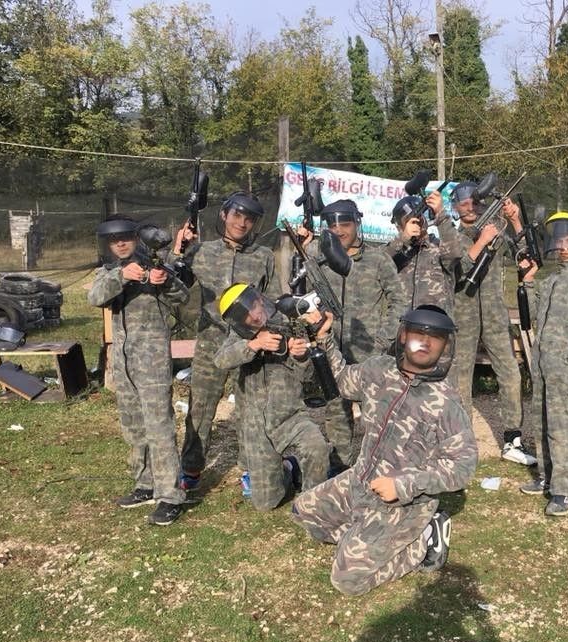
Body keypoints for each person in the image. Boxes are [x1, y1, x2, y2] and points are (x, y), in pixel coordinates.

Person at [291, 305, 478, 596]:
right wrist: (324, 338)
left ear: (445, 347)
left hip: (403, 503)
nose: (425, 343)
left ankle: (423, 539)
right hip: (360, 481)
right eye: (418, 335)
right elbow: (342, 380)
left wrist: (403, 485)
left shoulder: (447, 403)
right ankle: (364, 532)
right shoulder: (379, 369)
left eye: (435, 339)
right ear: (403, 336)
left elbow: (463, 467)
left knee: (346, 580)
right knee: (303, 512)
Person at [173, 192, 278, 493]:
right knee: (201, 406)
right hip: (211, 340)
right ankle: (191, 468)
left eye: (249, 219)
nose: (241, 223)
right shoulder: (201, 252)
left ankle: (250, 469)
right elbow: (174, 285)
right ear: (224, 215)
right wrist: (178, 251)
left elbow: (272, 300)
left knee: (250, 408)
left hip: (248, 343)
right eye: (236, 216)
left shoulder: (263, 256)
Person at [88, 216, 190, 526]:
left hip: (152, 362)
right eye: (113, 240)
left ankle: (170, 496)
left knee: (159, 428)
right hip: (123, 362)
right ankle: (145, 484)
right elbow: (95, 297)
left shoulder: (156, 266)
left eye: (125, 238)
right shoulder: (110, 272)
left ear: (136, 240)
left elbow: (183, 297)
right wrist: (122, 276)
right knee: (133, 426)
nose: (120, 243)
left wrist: (164, 280)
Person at [308, 199, 407, 473]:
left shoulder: (377, 259)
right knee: (336, 414)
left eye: (345, 224)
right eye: (332, 225)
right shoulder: (319, 260)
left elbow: (399, 301)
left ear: (357, 224)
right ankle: (341, 469)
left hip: (369, 353)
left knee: (377, 416)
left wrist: (384, 340)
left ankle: (379, 468)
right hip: (331, 350)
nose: (339, 230)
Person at [212, 284, 328, 510]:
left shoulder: (289, 325)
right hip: (256, 426)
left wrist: (301, 357)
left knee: (317, 447)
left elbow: (309, 379)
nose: (255, 315)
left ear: (260, 301)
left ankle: (312, 503)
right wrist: (254, 345)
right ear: (239, 321)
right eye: (247, 315)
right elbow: (220, 360)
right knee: (266, 503)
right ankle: (288, 468)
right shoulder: (239, 336)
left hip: (290, 417)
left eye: (255, 307)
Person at [517, 212, 568, 516]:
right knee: (541, 421)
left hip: (563, 366)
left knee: (561, 426)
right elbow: (532, 315)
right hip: (541, 362)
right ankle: (546, 477)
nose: (563, 247)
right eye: (559, 241)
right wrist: (528, 281)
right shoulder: (552, 279)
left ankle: (564, 490)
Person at [451, 180, 536, 466]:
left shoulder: (495, 231)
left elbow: (523, 255)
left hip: (495, 314)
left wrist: (515, 221)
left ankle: (513, 439)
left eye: (475, 202)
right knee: (460, 378)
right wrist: (482, 240)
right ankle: (461, 441)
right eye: (464, 203)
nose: (470, 208)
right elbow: (454, 268)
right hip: (462, 313)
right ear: (455, 207)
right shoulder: (451, 236)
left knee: (510, 374)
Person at [385, 190, 462, 314]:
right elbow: (375, 264)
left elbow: (454, 254)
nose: (416, 223)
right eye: (408, 220)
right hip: (402, 322)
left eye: (419, 218)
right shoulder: (395, 250)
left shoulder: (439, 248)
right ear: (399, 226)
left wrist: (441, 215)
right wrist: (403, 238)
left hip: (435, 322)